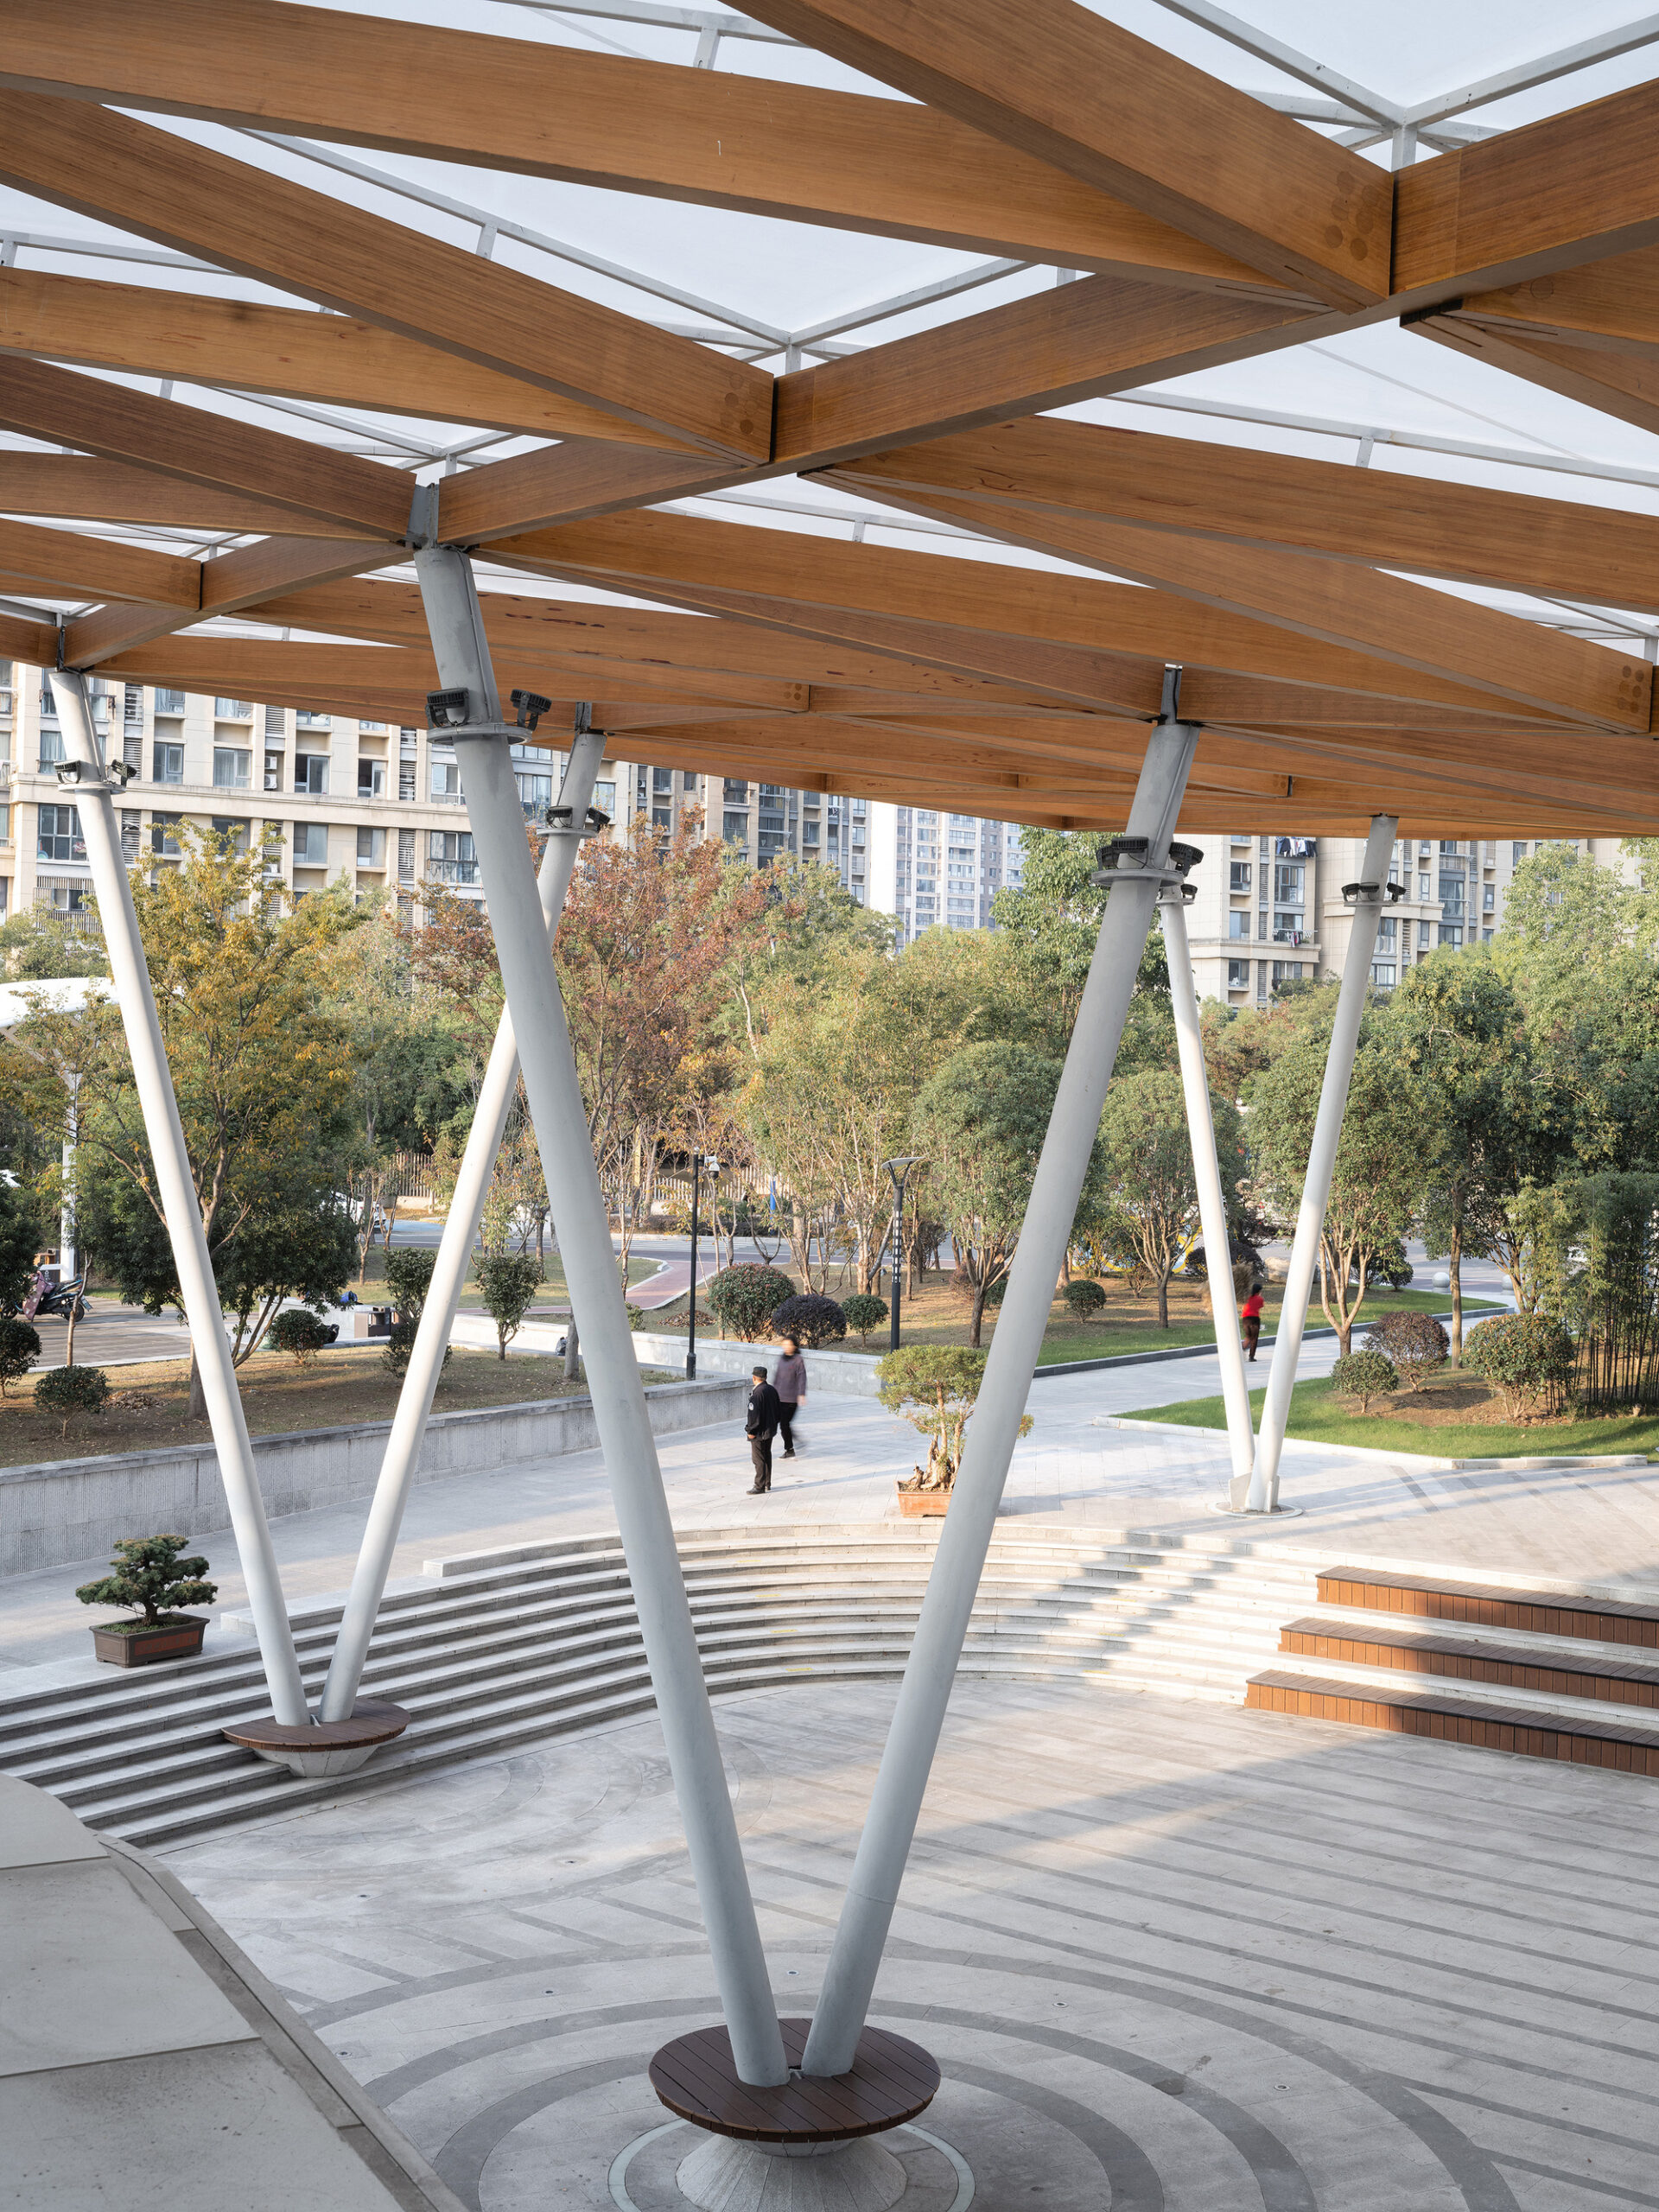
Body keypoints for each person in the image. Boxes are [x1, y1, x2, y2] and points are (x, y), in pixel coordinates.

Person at [745, 1364, 780, 1494]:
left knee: (758, 1459)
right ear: (765, 1377)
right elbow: (778, 1411)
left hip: (759, 1432)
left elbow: (754, 1416)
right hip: (769, 1431)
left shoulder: (757, 1394)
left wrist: (751, 1431)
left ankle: (759, 1486)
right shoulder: (772, 1390)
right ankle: (767, 1483)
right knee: (766, 1456)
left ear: (754, 1378)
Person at [772, 1336, 807, 1459]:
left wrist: (801, 1394)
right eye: (784, 1344)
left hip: (791, 1399)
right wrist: (771, 1392)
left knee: (784, 1424)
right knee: (776, 1423)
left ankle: (790, 1449)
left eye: (789, 1345)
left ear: (795, 1346)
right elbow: (776, 1377)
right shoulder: (781, 1359)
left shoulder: (798, 1360)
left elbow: (802, 1377)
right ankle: (792, 1443)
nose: (786, 1347)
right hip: (779, 1397)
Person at [1241, 1284, 1266, 1363]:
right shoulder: (1260, 1299)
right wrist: (1260, 1296)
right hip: (1254, 1319)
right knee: (1254, 1338)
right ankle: (1251, 1356)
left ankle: (1242, 1348)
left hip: (1245, 1319)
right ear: (1259, 1291)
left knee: (1248, 1336)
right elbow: (1261, 1306)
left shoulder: (1247, 1298)